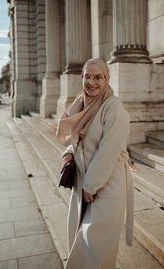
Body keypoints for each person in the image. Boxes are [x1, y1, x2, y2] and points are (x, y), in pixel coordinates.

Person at [56, 58, 134, 269]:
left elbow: (108, 149)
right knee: (81, 241)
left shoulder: (113, 106)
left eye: (98, 77)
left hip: (105, 183)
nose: (92, 82)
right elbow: (76, 136)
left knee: (95, 248)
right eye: (87, 77)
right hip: (83, 182)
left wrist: (91, 185)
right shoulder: (81, 102)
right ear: (81, 77)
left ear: (106, 78)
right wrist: (68, 153)